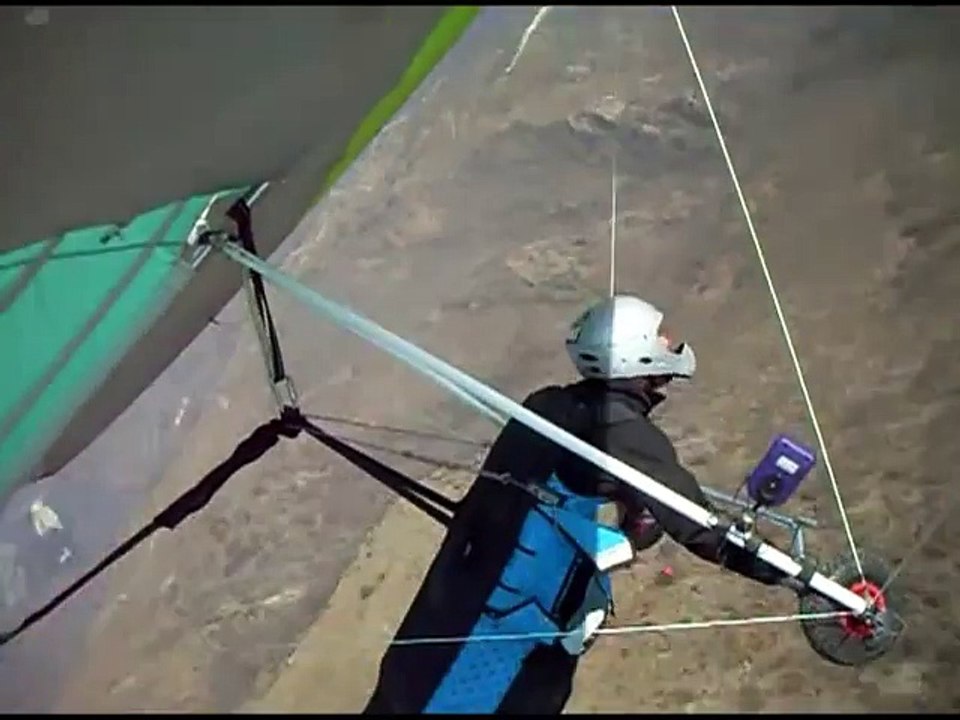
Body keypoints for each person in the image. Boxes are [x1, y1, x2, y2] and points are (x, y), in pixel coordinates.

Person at [365, 294, 788, 715]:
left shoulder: (549, 404)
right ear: (633, 354)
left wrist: (635, 517)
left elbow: (592, 490)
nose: (668, 346)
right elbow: (700, 527)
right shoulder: (621, 431)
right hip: (498, 645)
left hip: (447, 617)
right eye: (659, 339)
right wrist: (791, 576)